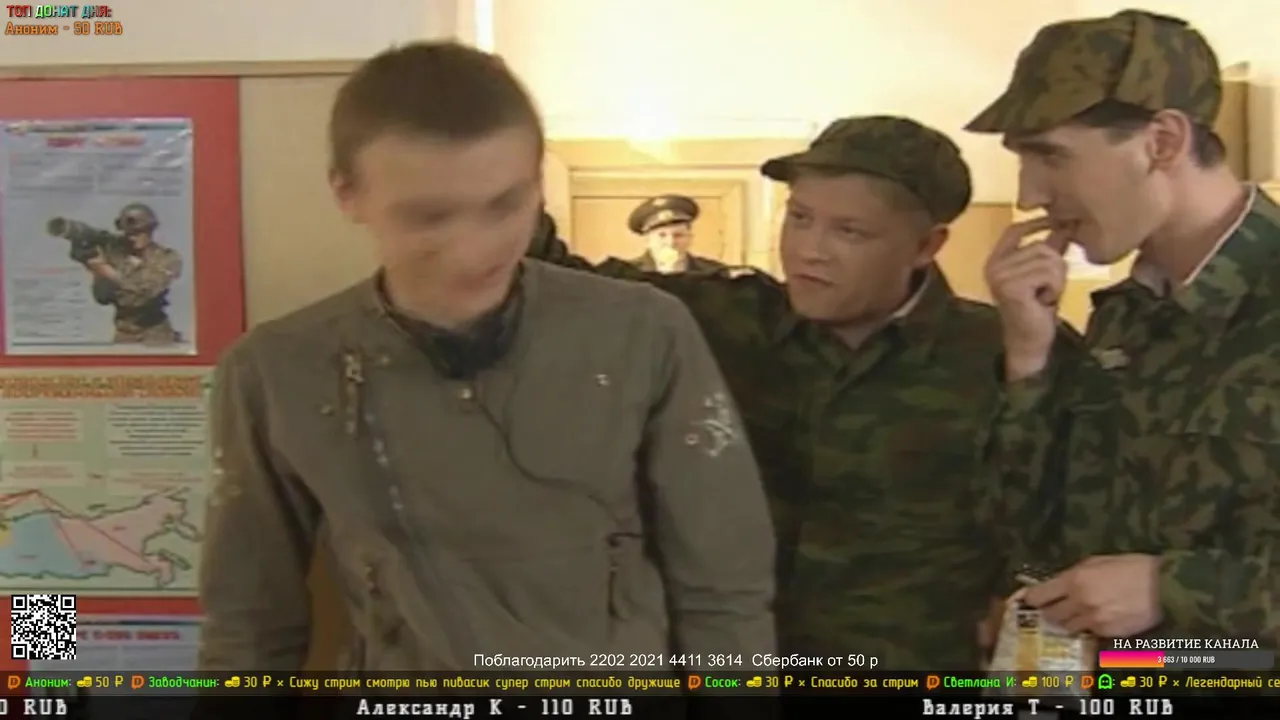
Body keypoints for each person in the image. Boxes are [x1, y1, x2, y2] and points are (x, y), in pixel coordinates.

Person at [197, 41, 776, 674]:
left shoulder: (643, 333)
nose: (473, 249)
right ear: (347, 194)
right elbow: (247, 627)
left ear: (538, 185)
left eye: (505, 206)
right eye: (429, 217)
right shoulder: (278, 371)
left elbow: (725, 594)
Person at [531, 116, 1026, 670]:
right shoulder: (728, 318)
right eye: (800, 218)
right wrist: (502, 173)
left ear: (925, 246)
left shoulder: (1000, 353)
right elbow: (565, 280)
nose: (809, 250)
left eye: (849, 232)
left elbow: (1051, 525)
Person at [973, 10, 1280, 647]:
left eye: (1051, 156)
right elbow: (1028, 534)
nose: (1030, 195)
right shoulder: (1123, 316)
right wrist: (1030, 361)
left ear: (1162, 142)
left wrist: (1171, 587)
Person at [48, 203, 182, 344]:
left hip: (155, 334)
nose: (132, 238)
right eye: (128, 233)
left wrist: (106, 270)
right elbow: (103, 298)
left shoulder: (167, 258)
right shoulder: (118, 251)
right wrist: (90, 261)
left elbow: (144, 292)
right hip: (124, 334)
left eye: (138, 233)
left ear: (150, 230)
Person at [626, 194, 726, 273]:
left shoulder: (714, 272)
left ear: (690, 238)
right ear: (647, 240)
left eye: (678, 235)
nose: (671, 242)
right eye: (662, 235)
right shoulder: (627, 274)